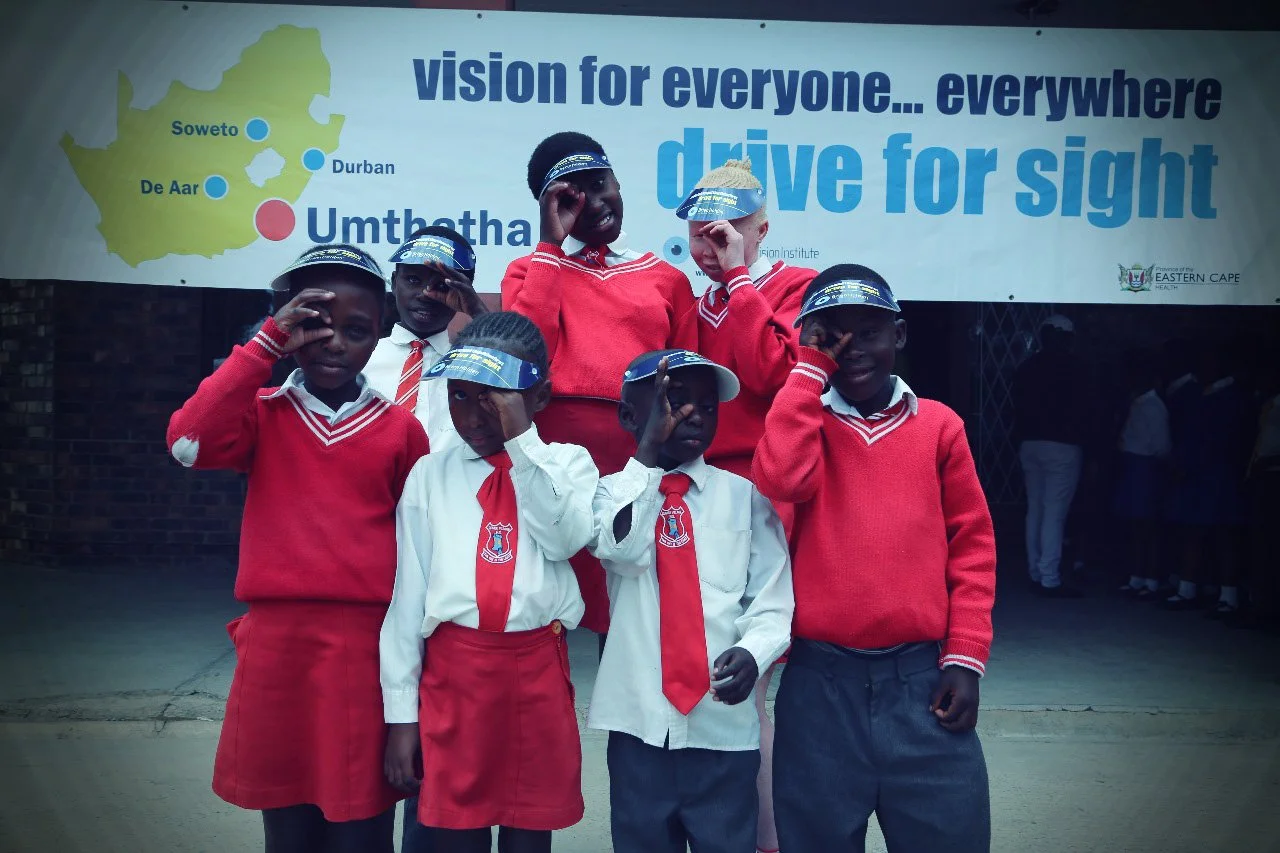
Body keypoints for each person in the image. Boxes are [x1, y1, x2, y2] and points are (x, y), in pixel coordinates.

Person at [166, 244, 429, 853]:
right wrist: (262, 345)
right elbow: (186, 442)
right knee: (287, 829)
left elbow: (419, 551)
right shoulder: (262, 415)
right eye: (313, 325)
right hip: (278, 652)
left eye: (357, 330)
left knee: (361, 826)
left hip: (362, 653)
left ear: (378, 339)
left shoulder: (399, 430)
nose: (335, 343)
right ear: (287, 328)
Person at [752, 265, 996, 853]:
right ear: (809, 342)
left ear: (900, 336)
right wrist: (808, 372)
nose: (852, 349)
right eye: (830, 335)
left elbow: (974, 548)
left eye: (869, 332)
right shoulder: (803, 425)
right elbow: (780, 476)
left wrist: (964, 657)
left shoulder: (939, 427)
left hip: (922, 683)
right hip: (819, 688)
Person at [380, 312, 596, 853]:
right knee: (450, 833)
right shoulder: (431, 474)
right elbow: (408, 598)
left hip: (535, 673)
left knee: (528, 834)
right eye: (460, 397)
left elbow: (562, 539)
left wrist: (521, 445)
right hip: (455, 675)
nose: (475, 416)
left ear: (538, 398)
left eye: (495, 397)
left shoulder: (567, 464)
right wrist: (402, 716)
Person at [589, 350, 793, 853]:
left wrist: (754, 652)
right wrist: (647, 459)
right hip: (639, 729)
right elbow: (621, 551)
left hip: (722, 731)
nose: (694, 414)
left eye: (707, 404)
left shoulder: (745, 498)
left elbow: (773, 599)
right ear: (630, 415)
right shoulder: (609, 495)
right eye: (673, 401)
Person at [502, 131, 698, 643]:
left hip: (642, 452)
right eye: (572, 196)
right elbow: (527, 351)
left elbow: (690, 375)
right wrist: (550, 245)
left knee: (639, 609)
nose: (594, 202)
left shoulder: (665, 277)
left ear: (618, 182)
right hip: (557, 457)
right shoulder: (530, 269)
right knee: (553, 602)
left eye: (600, 183)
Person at [673, 158, 815, 853]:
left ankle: (774, 836)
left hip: (774, 497)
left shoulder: (795, 287)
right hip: (704, 501)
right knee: (726, 674)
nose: (710, 247)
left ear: (761, 227)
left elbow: (774, 375)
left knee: (770, 669)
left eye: (726, 233)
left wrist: (737, 277)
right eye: (700, 235)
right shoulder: (691, 300)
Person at [364, 226, 489, 452]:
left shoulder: (476, 370)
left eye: (442, 286)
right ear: (393, 282)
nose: (425, 294)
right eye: (413, 280)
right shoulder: (360, 359)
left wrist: (478, 313)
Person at [1013, 313, 1086, 597]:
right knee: (1054, 513)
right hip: (1063, 445)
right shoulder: (1076, 368)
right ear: (1067, 339)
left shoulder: (1026, 367)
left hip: (1030, 443)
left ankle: (1036, 572)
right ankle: (1049, 577)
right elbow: (1085, 409)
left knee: (1036, 510)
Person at [1113, 351, 1173, 600]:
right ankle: (1136, 577)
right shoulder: (1137, 402)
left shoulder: (1154, 406)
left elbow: (1162, 446)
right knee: (1136, 527)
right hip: (1133, 467)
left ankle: (1151, 579)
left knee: (1149, 527)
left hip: (1146, 469)